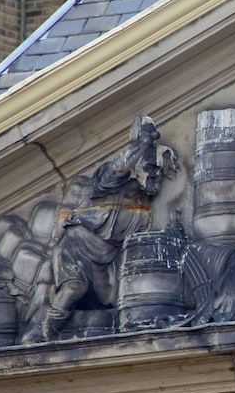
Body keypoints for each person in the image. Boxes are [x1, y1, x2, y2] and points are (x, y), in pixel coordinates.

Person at [22, 115, 175, 343]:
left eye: (159, 172)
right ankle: (42, 332)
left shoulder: (144, 203)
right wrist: (141, 144)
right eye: (152, 169)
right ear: (138, 165)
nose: (155, 176)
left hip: (110, 259)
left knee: (113, 304)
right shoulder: (107, 185)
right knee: (74, 287)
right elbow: (116, 169)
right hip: (78, 246)